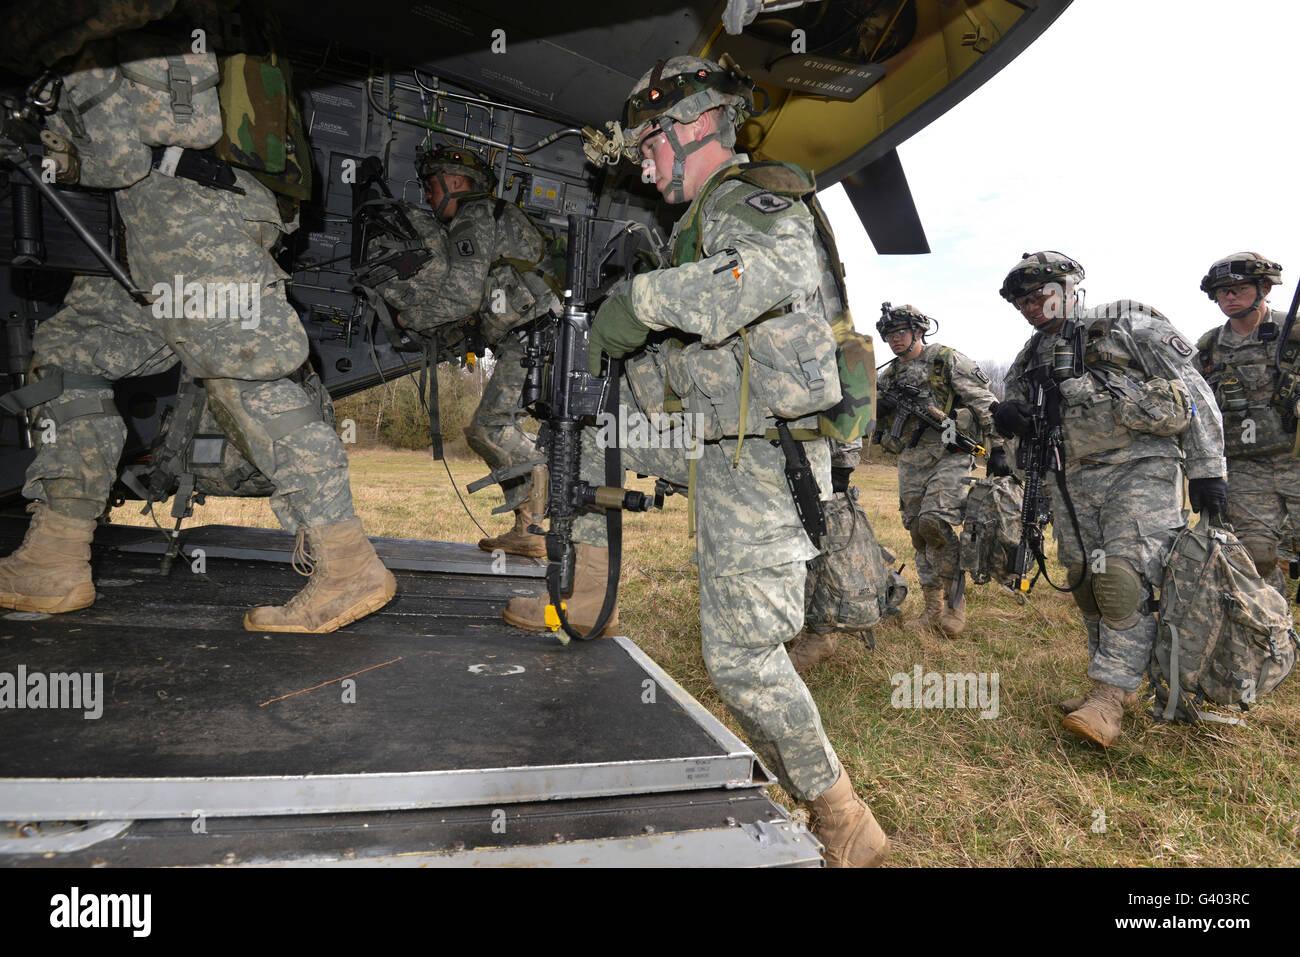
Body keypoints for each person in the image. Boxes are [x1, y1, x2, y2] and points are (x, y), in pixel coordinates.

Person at [502, 55, 889, 866]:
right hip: (716, 438)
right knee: (588, 426)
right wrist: (600, 371)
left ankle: (842, 811)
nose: (642, 159)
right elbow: (705, 353)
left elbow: (760, 280)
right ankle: (585, 588)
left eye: (648, 140)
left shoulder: (753, 203)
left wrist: (634, 305)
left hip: (762, 458)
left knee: (742, 657)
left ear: (693, 127)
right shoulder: (702, 218)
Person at [0, 24, 395, 633]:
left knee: (248, 377)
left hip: (190, 214)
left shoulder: (113, 26)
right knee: (66, 359)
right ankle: (53, 558)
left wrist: (45, 142)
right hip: (170, 220)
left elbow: (116, 156)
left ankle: (348, 566)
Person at [993, 251, 1226, 746]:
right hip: (1069, 477)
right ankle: (1113, 683)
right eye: (1022, 304)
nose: (1032, 308)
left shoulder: (1125, 322)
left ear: (1069, 287)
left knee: (1122, 578)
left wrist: (1209, 469)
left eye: (1039, 297)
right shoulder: (1031, 355)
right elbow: (1016, 411)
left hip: (1139, 467)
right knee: (1085, 582)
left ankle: (1108, 697)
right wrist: (1009, 420)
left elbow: (1194, 390)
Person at [368, 145, 560, 558]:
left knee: (489, 428)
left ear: (455, 183)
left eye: (431, 187)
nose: (428, 198)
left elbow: (461, 297)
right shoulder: (492, 216)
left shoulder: (474, 216)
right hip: (532, 335)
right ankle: (530, 526)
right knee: (489, 427)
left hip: (535, 335)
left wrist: (409, 319)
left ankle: (539, 524)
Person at [873, 303, 1005, 637]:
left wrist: (1000, 446)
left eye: (900, 332)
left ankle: (954, 604)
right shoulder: (889, 375)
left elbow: (983, 401)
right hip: (912, 458)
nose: (894, 340)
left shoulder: (945, 360)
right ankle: (931, 607)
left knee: (936, 523)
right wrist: (880, 409)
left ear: (919, 330)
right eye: (888, 335)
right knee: (918, 533)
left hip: (951, 453)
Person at [1193, 253, 1298, 597]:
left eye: (1237, 289)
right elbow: (1193, 403)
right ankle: (1273, 626)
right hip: (1245, 466)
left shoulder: (1293, 333)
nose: (1229, 297)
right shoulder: (1208, 348)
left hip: (1296, 457)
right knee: (1255, 555)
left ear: (1264, 288)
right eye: (1222, 292)